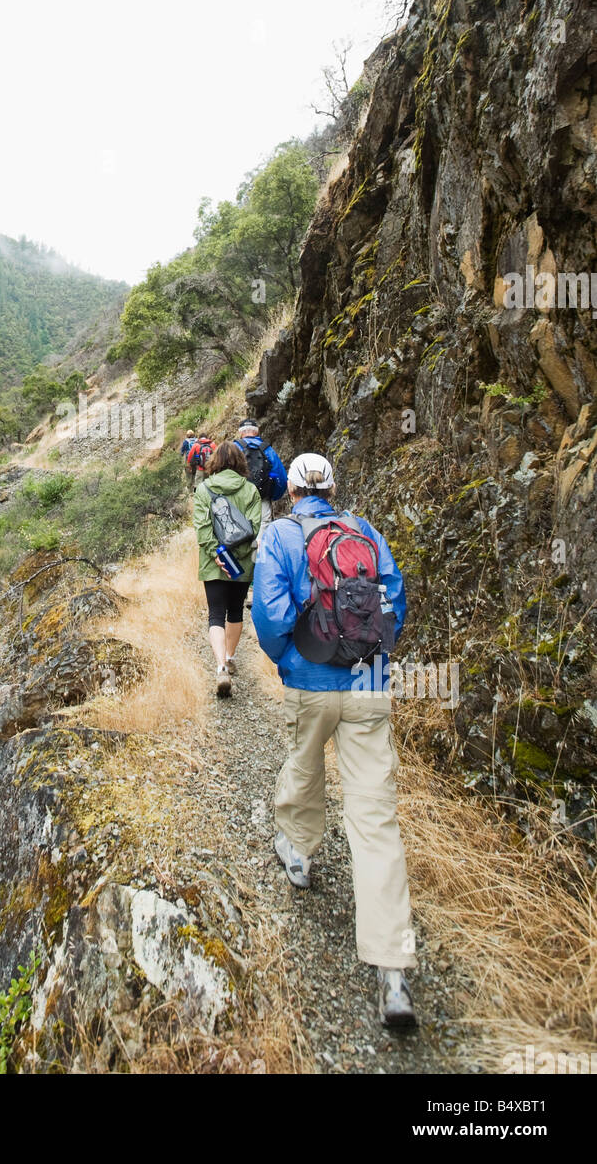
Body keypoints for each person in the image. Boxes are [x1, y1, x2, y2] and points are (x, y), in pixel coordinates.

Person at [251, 452, 416, 1029]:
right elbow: (394, 600)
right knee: (375, 817)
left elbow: (270, 618)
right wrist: (373, 657)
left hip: (310, 679)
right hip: (369, 682)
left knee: (304, 761)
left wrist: (289, 662)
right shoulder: (364, 530)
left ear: (291, 490)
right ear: (334, 487)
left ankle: (298, 852)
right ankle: (393, 973)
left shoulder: (278, 535)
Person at [193, 440, 261, 697]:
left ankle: (220, 665)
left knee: (215, 615)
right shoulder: (251, 490)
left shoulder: (203, 489)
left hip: (214, 565)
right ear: (240, 462)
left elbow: (202, 528)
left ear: (215, 462)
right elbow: (253, 529)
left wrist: (217, 554)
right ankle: (230, 656)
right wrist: (238, 556)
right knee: (235, 612)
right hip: (241, 565)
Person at [233, 419, 287, 540]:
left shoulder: (234, 448)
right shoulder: (267, 449)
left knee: (240, 527)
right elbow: (281, 478)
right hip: (262, 498)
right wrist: (273, 495)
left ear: (240, 433)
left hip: (238, 499)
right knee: (263, 529)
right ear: (257, 432)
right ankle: (260, 556)